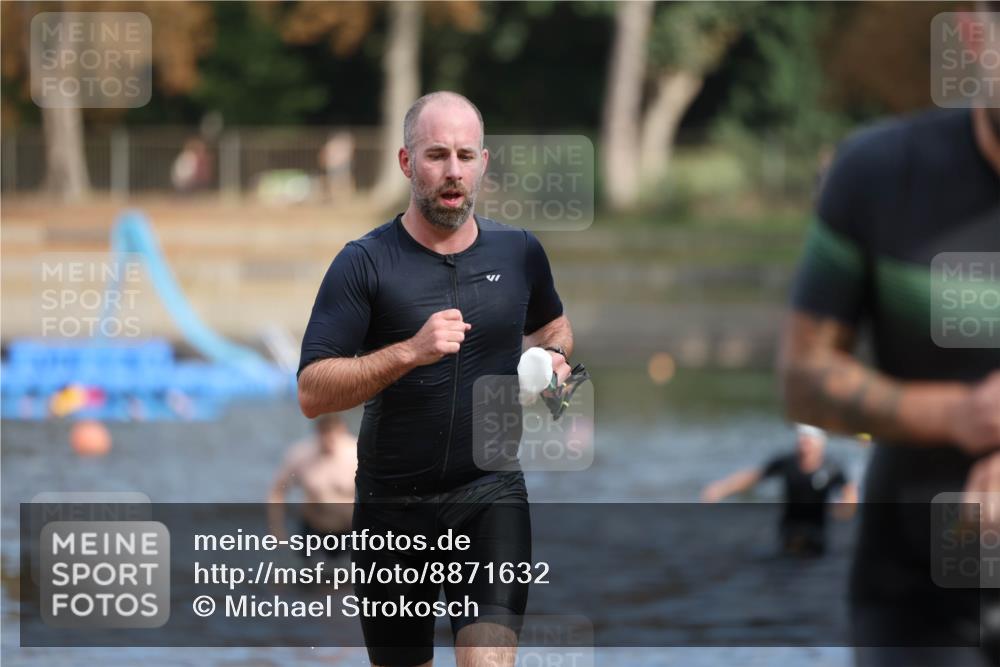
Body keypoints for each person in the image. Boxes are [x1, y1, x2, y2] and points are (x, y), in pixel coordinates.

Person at [297, 91, 573, 667]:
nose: (453, 172)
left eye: (466, 156)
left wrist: (551, 364)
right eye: (437, 155)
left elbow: (553, 326)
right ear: (406, 162)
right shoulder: (365, 262)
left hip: (490, 494)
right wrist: (409, 353)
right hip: (390, 508)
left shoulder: (520, 252)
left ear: (484, 163)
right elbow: (312, 391)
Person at [779, 6, 1000, 663]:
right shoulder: (877, 171)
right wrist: (960, 414)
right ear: (973, 35)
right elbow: (803, 379)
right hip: (916, 600)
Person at [701, 424, 858, 556]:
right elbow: (755, 476)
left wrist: (846, 509)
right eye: (802, 438)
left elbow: (849, 490)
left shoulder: (832, 468)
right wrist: (721, 488)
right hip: (789, 531)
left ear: (821, 443)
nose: (805, 443)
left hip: (817, 533)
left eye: (810, 439)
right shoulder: (787, 463)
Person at [268, 413, 358, 558]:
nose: (329, 440)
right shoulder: (300, 455)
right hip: (313, 527)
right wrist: (276, 529)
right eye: (324, 433)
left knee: (360, 574)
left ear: (342, 430)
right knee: (304, 575)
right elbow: (278, 490)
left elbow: (379, 493)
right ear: (317, 432)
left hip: (349, 529)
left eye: (333, 433)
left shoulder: (357, 453)